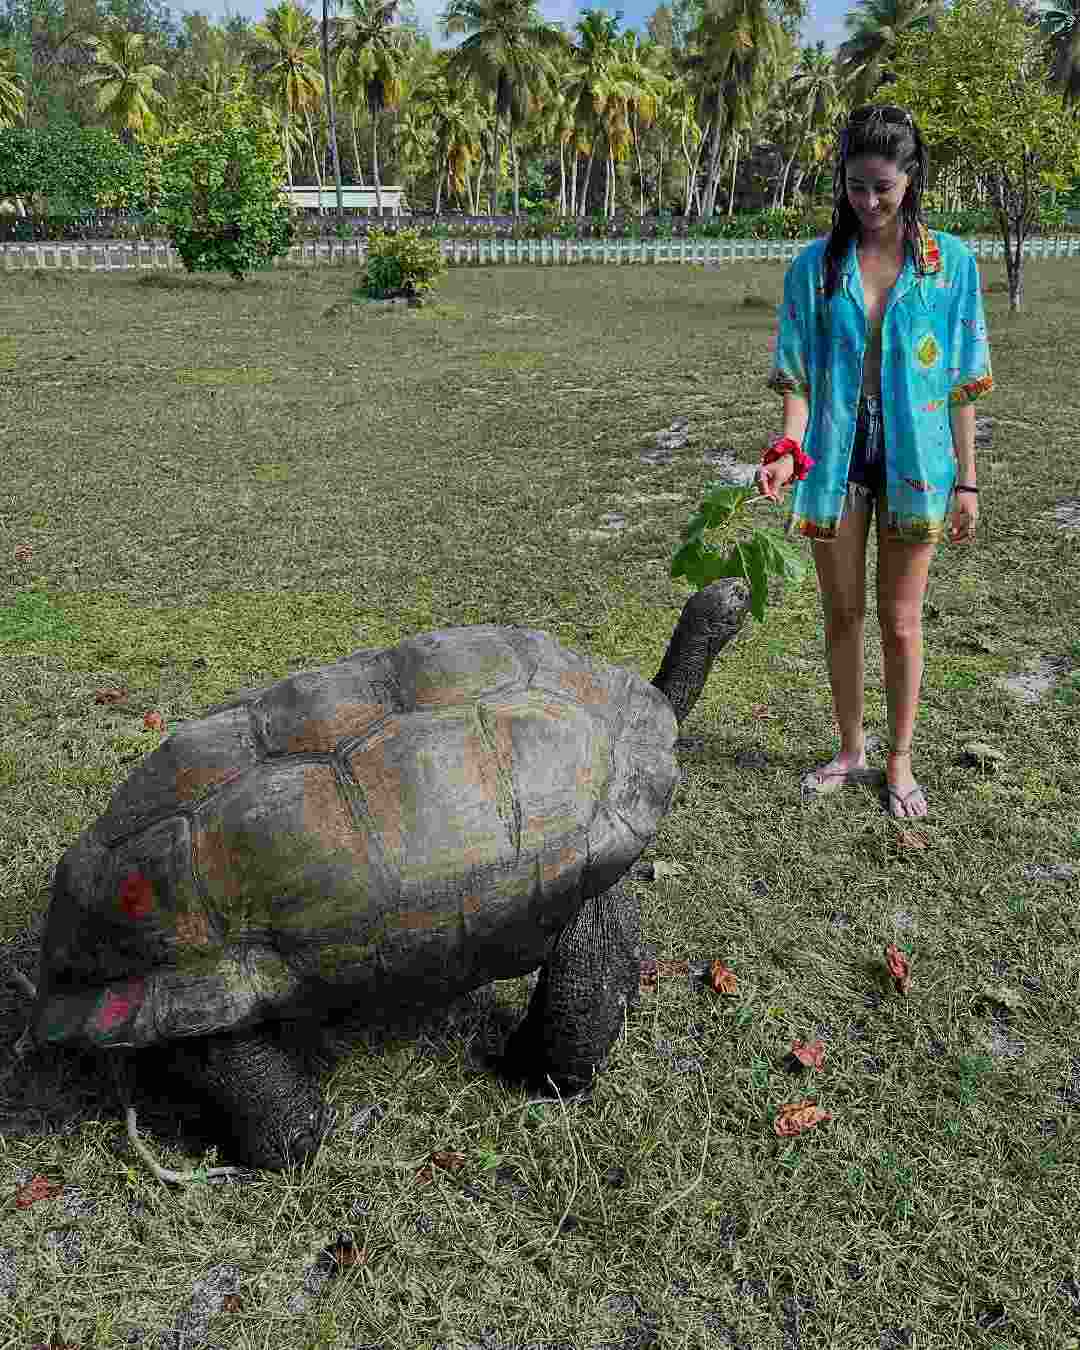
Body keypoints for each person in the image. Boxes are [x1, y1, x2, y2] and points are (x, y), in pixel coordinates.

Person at [757, 103, 993, 820]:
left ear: (911, 180)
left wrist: (967, 477)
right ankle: (851, 749)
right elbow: (797, 380)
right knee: (842, 615)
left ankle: (900, 760)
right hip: (836, 463)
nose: (867, 202)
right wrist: (787, 452)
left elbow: (962, 383)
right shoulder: (815, 268)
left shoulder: (949, 265)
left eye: (882, 188)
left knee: (901, 622)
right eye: (856, 186)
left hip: (917, 464)